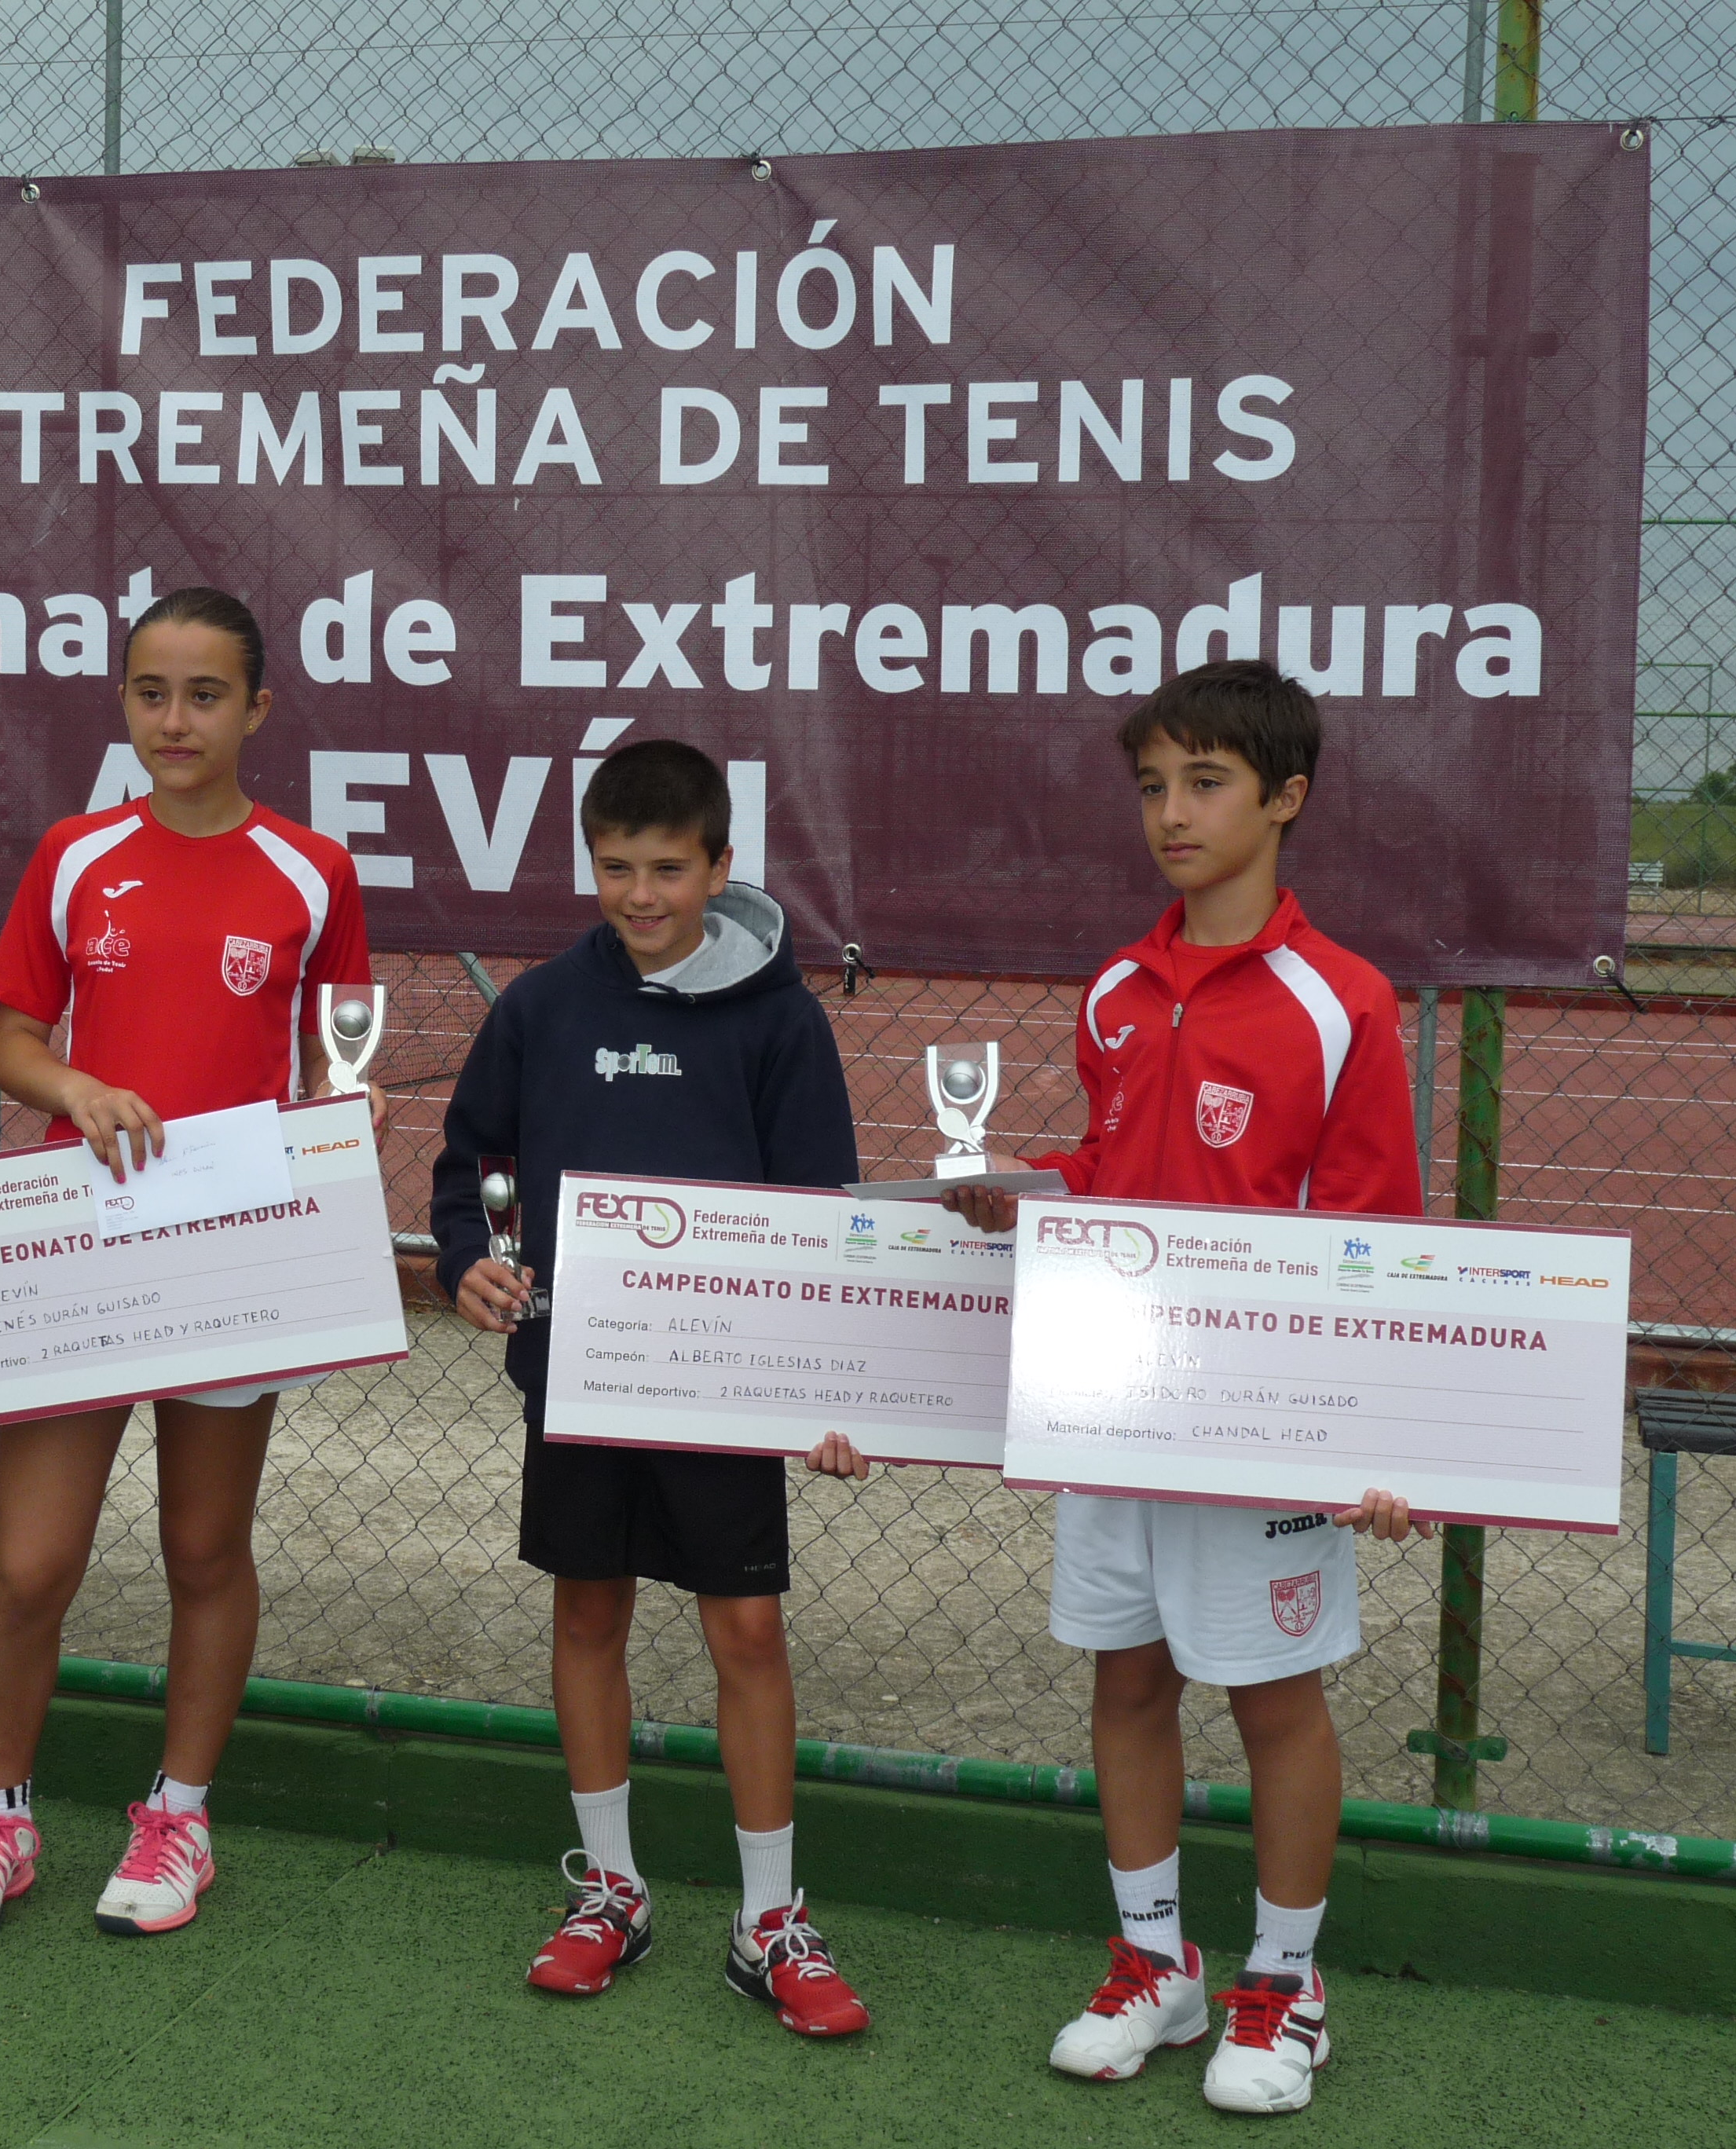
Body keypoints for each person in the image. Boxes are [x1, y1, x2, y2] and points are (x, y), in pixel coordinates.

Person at [945, 658, 1427, 2114]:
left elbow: (1376, 1238)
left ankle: (1287, 1983)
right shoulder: (1113, 990)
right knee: (1129, 1678)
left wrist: (1378, 1443)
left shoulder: (1342, 1000)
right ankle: (1158, 1964)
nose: (1172, 812)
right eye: (1153, 784)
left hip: (1263, 1427)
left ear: (1286, 798)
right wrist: (1032, 1192)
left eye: (1206, 783)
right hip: (1113, 1402)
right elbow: (1111, 1173)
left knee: (1274, 1699)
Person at [0, 585, 379, 1944]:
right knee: (30, 1563)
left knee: (203, 1546)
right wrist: (82, 1086)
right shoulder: (74, 854)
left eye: (206, 695)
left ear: (257, 709)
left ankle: (179, 1818)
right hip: (82, 1251)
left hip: (232, 1255)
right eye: (152, 692)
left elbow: (336, 1058)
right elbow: (8, 1044)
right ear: (123, 700)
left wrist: (336, 1131)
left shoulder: (313, 870)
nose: (176, 720)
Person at [429, 739, 873, 2040]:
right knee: (587, 1613)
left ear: (721, 866)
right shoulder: (542, 1007)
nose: (641, 895)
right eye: (616, 868)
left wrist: (834, 1385)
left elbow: (825, 1217)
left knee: (748, 1634)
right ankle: (612, 1890)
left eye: (669, 869)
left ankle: (769, 1917)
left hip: (724, 1390)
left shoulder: (780, 1019)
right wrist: (465, 1261)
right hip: (583, 1373)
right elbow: (470, 1166)